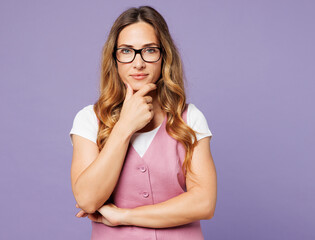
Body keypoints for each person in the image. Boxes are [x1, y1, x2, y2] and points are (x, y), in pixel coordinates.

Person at [69, 5, 217, 240]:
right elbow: (87, 199)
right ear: (114, 58)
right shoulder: (89, 119)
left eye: (149, 50)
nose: (138, 63)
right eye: (127, 51)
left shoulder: (190, 118)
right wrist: (125, 126)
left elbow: (204, 203)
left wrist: (124, 216)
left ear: (164, 56)